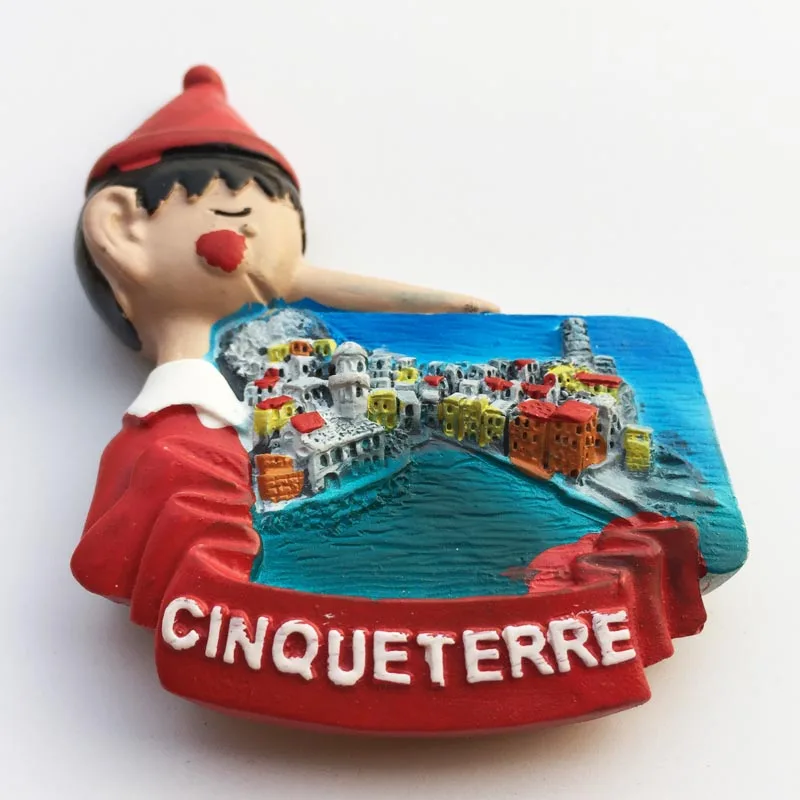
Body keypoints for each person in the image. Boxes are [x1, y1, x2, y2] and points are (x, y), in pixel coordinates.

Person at [71, 65, 497, 626]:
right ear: (122, 230)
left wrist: (442, 303)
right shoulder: (172, 438)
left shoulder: (204, 428)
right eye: (238, 218)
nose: (284, 271)